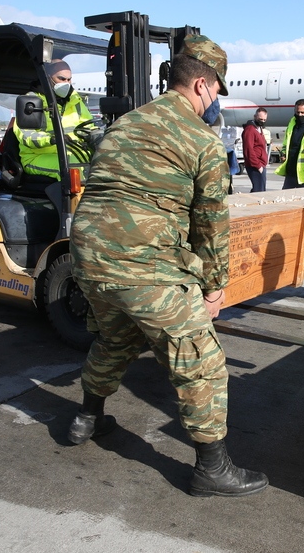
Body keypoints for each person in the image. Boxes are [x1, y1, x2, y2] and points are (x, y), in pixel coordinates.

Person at [67, 34, 269, 498]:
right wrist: (215, 288)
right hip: (144, 263)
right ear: (201, 85)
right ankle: (212, 468)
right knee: (201, 362)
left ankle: (87, 416)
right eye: (216, 89)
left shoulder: (123, 124)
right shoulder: (202, 140)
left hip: (88, 256)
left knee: (116, 337)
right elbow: (212, 224)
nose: (216, 98)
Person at [13, 59, 93, 181]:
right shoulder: (31, 102)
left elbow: (88, 126)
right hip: (37, 157)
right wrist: (53, 139)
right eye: (61, 79)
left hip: (70, 155)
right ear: (47, 78)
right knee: (72, 169)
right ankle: (81, 200)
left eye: (69, 79)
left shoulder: (75, 100)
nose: (66, 83)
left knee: (102, 164)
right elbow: (26, 136)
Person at [241, 107, 269, 192]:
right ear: (255, 116)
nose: (262, 121)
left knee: (260, 189)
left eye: (264, 120)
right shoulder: (250, 130)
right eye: (260, 119)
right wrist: (258, 165)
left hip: (260, 163)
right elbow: (248, 149)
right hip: (255, 165)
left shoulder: (258, 129)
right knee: (259, 190)